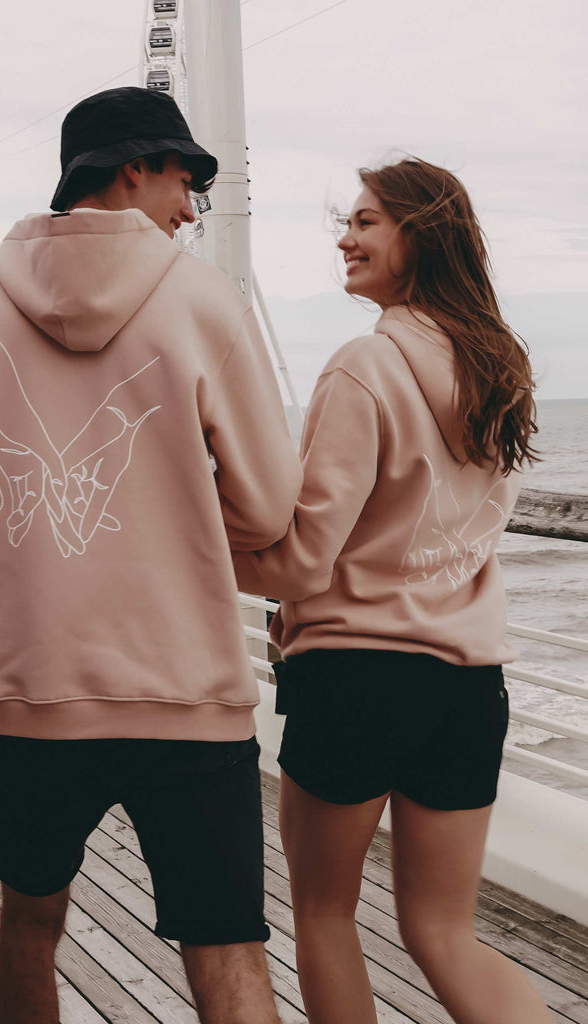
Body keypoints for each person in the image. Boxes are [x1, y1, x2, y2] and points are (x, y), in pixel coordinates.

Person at [0, 86, 302, 1024]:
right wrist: (174, 512)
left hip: (29, 701)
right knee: (226, 948)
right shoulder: (204, 302)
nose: (190, 208)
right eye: (184, 181)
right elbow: (264, 506)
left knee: (30, 923)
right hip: (189, 699)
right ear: (133, 168)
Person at [235, 158, 553, 1023]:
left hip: (355, 675)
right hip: (467, 685)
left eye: (366, 221)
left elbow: (303, 562)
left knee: (323, 914)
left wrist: (197, 554)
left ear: (423, 232)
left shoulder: (363, 367)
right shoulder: (498, 369)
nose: (345, 238)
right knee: (444, 931)